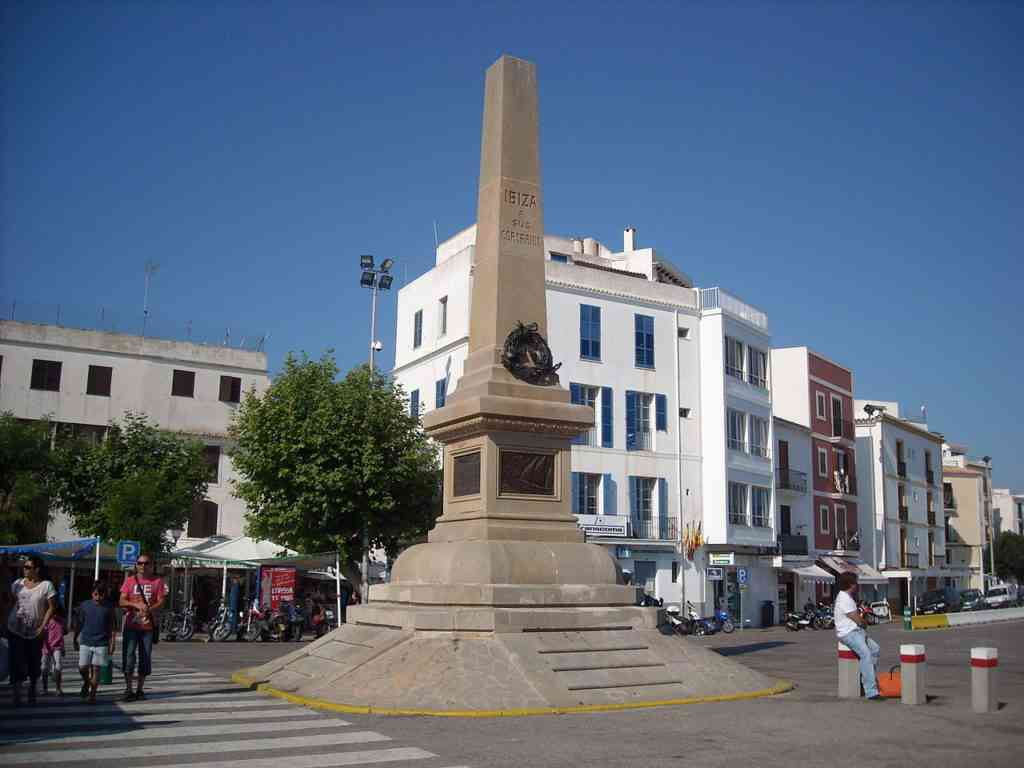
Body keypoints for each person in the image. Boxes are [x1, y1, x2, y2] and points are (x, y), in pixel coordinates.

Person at [6, 554, 58, 706]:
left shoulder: (46, 586)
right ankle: (16, 693)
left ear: (37, 569)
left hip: (35, 631)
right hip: (15, 628)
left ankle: (32, 687)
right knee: (16, 660)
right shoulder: (17, 584)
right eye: (24, 566)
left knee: (33, 662)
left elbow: (52, 607)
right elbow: (11, 603)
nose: (25, 569)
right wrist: (3, 621)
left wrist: (43, 626)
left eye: (28, 567)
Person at [119, 553, 166, 701]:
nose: (143, 566)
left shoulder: (157, 582)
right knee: (129, 656)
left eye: (146, 563)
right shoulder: (130, 581)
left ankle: (140, 689)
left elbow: (161, 601)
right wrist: (135, 604)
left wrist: (149, 609)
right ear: (136, 565)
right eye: (140, 563)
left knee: (145, 657)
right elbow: (121, 601)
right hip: (131, 625)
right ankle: (128, 689)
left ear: (151, 565)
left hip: (147, 626)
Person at [834, 571, 882, 701]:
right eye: (856, 583)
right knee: (866, 654)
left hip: (856, 631)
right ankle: (871, 691)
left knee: (875, 649)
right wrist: (865, 622)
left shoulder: (847, 597)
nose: (858, 585)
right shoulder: (844, 598)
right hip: (848, 633)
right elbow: (856, 619)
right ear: (851, 584)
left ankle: (865, 678)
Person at [77, 581, 116, 704]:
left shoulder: (109, 607)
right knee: (82, 667)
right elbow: (79, 623)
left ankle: (92, 695)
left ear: (105, 594)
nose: (98, 597)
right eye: (95, 594)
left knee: (96, 669)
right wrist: (75, 638)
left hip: (102, 642)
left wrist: (112, 642)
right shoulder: (84, 605)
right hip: (86, 640)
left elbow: (112, 626)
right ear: (92, 593)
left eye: (101, 595)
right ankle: (87, 682)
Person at [41, 602, 67, 696]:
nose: (55, 615)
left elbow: (64, 633)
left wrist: (63, 648)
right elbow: (42, 634)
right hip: (46, 647)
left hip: (57, 647)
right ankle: (45, 688)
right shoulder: (46, 621)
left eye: (57, 613)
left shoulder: (62, 621)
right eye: (53, 613)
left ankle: (58, 688)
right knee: (44, 668)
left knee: (58, 666)